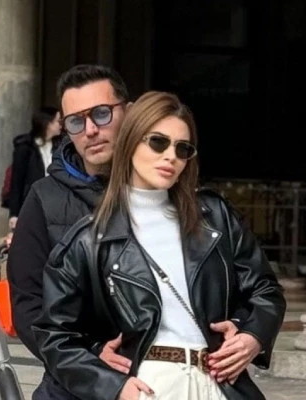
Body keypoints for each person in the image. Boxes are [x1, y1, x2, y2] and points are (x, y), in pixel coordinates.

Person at [33, 91, 287, 400]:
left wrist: (253, 335)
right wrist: (113, 386)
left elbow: (265, 289)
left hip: (218, 381)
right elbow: (56, 335)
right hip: (148, 385)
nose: (171, 156)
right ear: (131, 141)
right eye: (158, 142)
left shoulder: (215, 217)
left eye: (183, 149)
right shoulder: (90, 238)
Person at [7, 64, 133, 399]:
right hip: (74, 385)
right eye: (76, 121)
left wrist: (247, 331)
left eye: (102, 114)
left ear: (130, 112)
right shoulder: (44, 198)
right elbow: (29, 304)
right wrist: (88, 359)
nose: (90, 130)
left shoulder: (164, 190)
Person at [7, 107, 62, 230]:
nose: (61, 124)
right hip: (33, 203)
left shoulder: (60, 146)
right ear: (47, 123)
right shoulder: (25, 147)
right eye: (58, 121)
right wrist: (14, 214)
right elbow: (17, 182)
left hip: (56, 204)